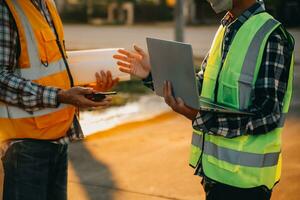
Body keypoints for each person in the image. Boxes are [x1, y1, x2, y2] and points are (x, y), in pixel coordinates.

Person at [113, 0, 295, 199]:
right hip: (213, 175)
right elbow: (202, 88)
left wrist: (198, 117)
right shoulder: (226, 26)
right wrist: (153, 74)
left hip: (246, 184)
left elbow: (267, 116)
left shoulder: (271, 36)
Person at [0, 0, 119, 199]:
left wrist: (90, 88)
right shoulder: (7, 6)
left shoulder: (48, 4)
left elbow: (51, 68)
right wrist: (60, 96)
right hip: (24, 146)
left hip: (58, 139)